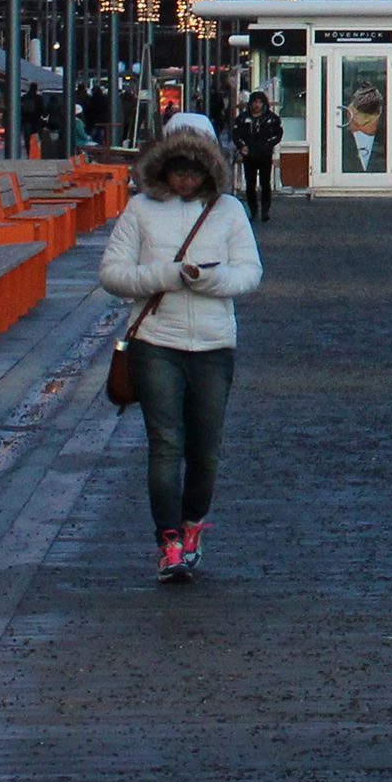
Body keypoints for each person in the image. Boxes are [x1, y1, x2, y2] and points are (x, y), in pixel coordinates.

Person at [99, 123, 263, 583]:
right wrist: (167, 276)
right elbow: (112, 273)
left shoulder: (228, 210)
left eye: (195, 171)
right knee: (166, 444)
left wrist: (208, 280)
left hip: (213, 344)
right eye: (179, 171)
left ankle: (193, 525)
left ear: (209, 168)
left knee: (205, 448)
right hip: (156, 341)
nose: (187, 180)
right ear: (163, 167)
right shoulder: (140, 209)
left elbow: (250, 273)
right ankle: (168, 541)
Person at [234, 95, 282, 219]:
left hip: (264, 155)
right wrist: (241, 146)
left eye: (260, 102)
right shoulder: (242, 118)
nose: (257, 105)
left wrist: (268, 144)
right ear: (250, 103)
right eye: (255, 102)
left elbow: (278, 134)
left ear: (264, 104)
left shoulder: (271, 118)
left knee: (265, 183)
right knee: (250, 183)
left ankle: (265, 211)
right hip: (249, 155)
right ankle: (253, 210)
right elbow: (236, 134)